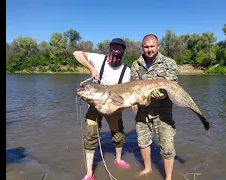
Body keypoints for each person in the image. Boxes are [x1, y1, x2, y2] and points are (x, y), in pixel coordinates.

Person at [130, 34, 210, 180]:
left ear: (158, 46)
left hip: (163, 112)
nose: (149, 50)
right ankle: (148, 169)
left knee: (167, 146)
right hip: (143, 112)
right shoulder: (136, 65)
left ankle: (168, 177)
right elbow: (134, 86)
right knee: (142, 142)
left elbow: (169, 88)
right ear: (142, 47)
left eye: (152, 46)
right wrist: (135, 101)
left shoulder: (169, 63)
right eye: (146, 47)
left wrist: (147, 94)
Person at [73, 38, 131, 180]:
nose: (116, 52)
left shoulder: (126, 70)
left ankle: (118, 159)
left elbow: (123, 97)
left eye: (120, 50)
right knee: (91, 135)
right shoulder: (99, 59)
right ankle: (89, 173)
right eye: (114, 49)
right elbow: (76, 53)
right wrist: (91, 68)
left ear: (123, 52)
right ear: (110, 49)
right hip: (95, 105)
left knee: (118, 135)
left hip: (113, 105)